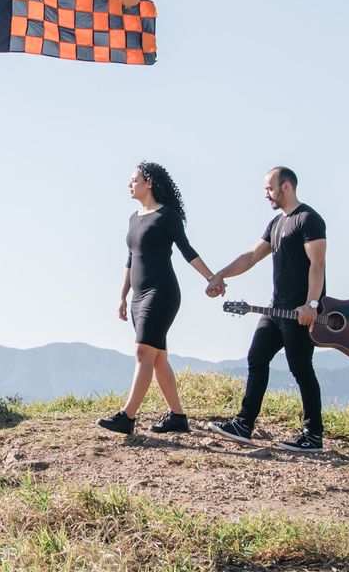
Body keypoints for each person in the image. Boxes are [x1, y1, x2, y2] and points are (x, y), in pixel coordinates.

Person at [206, 166, 326, 452]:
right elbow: (251, 256)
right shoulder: (276, 223)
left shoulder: (308, 219)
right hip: (275, 310)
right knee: (257, 358)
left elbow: (317, 264)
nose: (266, 194)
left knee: (301, 368)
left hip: (300, 312)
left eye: (269, 188)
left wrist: (311, 304)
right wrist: (220, 274)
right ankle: (243, 424)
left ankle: (313, 436)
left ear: (286, 186)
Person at [97, 162, 219, 435]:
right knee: (158, 357)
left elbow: (187, 250)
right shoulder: (133, 218)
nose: (129, 184)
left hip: (161, 292)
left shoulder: (168, 216)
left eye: (134, 180)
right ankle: (177, 417)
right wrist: (122, 296)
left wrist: (211, 278)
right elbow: (131, 259)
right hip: (138, 297)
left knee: (143, 352)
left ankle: (127, 417)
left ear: (149, 182)